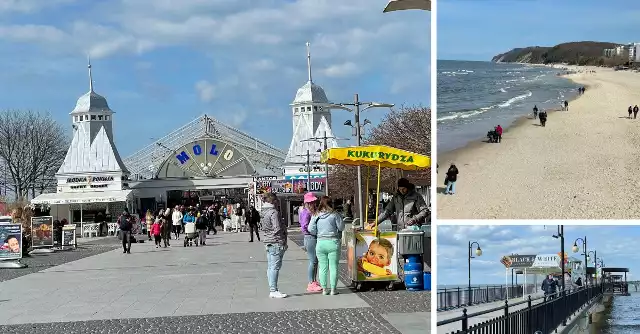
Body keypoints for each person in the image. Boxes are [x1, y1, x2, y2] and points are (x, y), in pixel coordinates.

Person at [309, 196, 344, 296]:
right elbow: (341, 227)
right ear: (331, 203)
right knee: (333, 267)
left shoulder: (316, 215)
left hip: (320, 242)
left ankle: (324, 289)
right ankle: (333, 289)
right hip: (333, 242)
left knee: (322, 267)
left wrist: (318, 232)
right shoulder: (335, 214)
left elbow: (310, 228)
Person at [260, 192, 288, 298]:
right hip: (276, 241)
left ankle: (272, 289)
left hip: (267, 240)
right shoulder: (274, 212)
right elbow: (277, 228)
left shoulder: (263, 212)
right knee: (275, 267)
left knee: (270, 266)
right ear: (273, 201)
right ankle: (273, 290)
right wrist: (283, 240)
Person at [300, 193, 322, 293]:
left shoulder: (309, 212)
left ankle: (313, 281)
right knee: (313, 260)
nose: (314, 203)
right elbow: (304, 226)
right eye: (312, 202)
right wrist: (312, 231)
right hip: (310, 237)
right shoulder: (306, 212)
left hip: (311, 237)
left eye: (314, 202)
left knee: (315, 261)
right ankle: (311, 282)